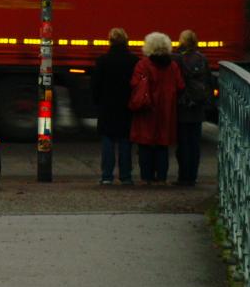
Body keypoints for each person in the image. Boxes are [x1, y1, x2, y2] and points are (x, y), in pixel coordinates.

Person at [130, 32, 185, 185]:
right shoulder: (173, 66)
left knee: (145, 143)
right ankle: (161, 177)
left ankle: (146, 176)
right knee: (162, 144)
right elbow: (180, 85)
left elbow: (135, 83)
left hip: (147, 109)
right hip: (166, 110)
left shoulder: (144, 64)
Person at [91, 27, 139, 185]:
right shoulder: (134, 60)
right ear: (126, 40)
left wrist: (97, 102)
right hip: (127, 106)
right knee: (125, 141)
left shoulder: (103, 60)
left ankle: (107, 176)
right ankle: (125, 176)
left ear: (110, 41)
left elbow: (95, 85)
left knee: (108, 140)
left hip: (107, 106)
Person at [173, 30, 212, 186]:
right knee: (194, 143)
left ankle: (183, 177)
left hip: (183, 105)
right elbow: (208, 81)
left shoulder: (177, 59)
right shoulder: (202, 59)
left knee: (182, 143)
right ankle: (193, 177)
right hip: (197, 105)